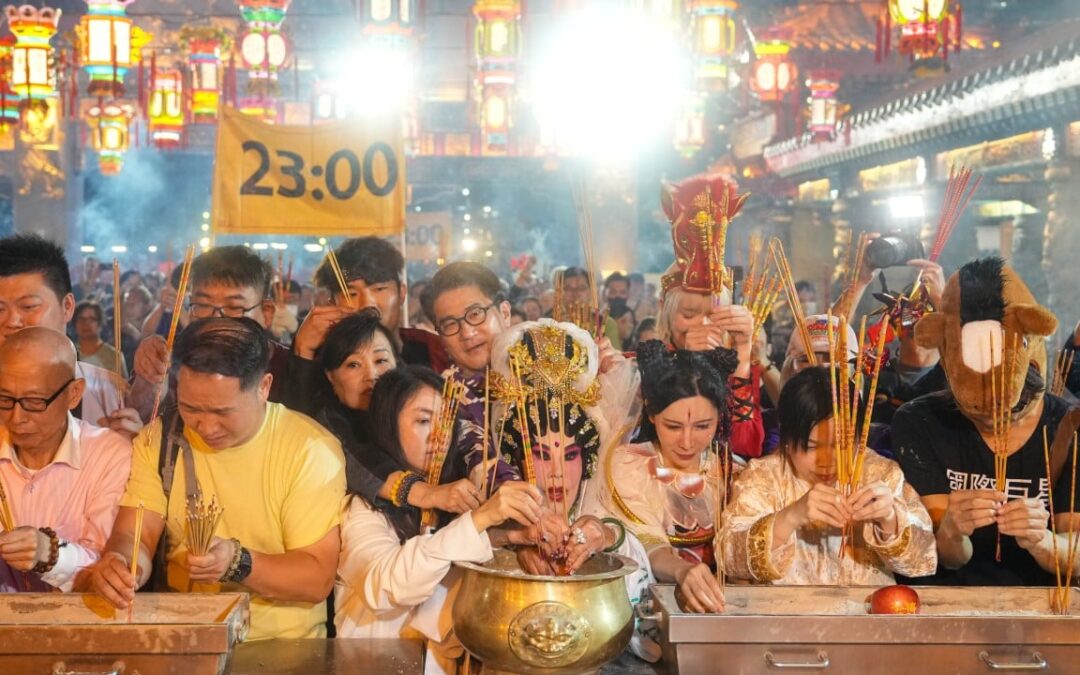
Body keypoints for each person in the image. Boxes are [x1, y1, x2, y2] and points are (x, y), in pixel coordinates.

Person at [84, 318, 346, 640]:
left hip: (282, 648)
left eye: (223, 412)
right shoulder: (160, 440)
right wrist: (122, 566)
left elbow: (316, 577)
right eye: (191, 407)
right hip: (185, 639)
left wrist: (237, 562)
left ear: (263, 387)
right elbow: (135, 534)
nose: (206, 427)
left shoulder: (308, 450)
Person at [335, 366, 542, 674]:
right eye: (422, 421)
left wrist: (508, 537)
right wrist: (479, 519)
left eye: (445, 421)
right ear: (387, 425)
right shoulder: (362, 506)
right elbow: (389, 585)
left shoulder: (457, 495)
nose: (439, 436)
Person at [895, 258, 1080, 586]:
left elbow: (1075, 561)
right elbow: (947, 558)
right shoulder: (920, 422)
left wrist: (1043, 541)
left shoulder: (1070, 428)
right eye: (977, 412)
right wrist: (951, 530)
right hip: (952, 601)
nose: (994, 422)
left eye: (1010, 412)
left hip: (1042, 602)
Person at [718, 366, 936, 585]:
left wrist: (889, 518)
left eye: (841, 445)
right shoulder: (763, 477)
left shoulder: (879, 473)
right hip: (786, 615)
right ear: (786, 438)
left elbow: (922, 559)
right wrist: (791, 517)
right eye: (811, 447)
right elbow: (728, 557)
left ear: (861, 436)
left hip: (867, 613)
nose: (827, 461)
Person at [603, 340, 736, 615]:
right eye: (673, 426)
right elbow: (648, 545)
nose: (687, 442)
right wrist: (682, 570)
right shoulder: (630, 467)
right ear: (651, 413)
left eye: (703, 426)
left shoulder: (729, 469)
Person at [0, 327, 131, 593]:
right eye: (4, 399)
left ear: (74, 393)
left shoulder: (108, 454)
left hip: (78, 627)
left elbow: (107, 569)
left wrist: (50, 554)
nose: (17, 417)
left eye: (34, 402)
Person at [316, 310, 478, 517]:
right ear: (330, 377)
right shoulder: (326, 428)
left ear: (397, 364)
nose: (371, 376)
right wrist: (428, 494)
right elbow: (358, 462)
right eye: (353, 365)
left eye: (381, 360)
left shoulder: (428, 398)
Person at [655, 176, 762, 459]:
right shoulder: (643, 366)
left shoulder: (733, 368)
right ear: (666, 314)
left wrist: (742, 350)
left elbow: (745, 447)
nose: (703, 325)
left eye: (713, 315)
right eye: (689, 314)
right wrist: (686, 365)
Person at [130, 246, 291, 418]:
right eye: (203, 305)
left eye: (234, 307)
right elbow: (139, 419)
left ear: (266, 313)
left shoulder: (292, 368)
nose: (216, 321)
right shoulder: (169, 354)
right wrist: (149, 383)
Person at [0, 235, 128, 428]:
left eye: (28, 306)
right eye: (0, 309)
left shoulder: (105, 388)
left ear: (67, 306)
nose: (12, 322)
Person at [306, 237, 447, 371]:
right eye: (352, 294)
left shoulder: (433, 349)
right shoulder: (321, 361)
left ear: (402, 293)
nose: (367, 303)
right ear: (333, 303)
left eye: (379, 289)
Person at [73, 301, 127, 378]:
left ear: (100, 323)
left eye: (91, 319)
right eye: (81, 319)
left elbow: (123, 388)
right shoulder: (69, 354)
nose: (86, 323)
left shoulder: (114, 356)